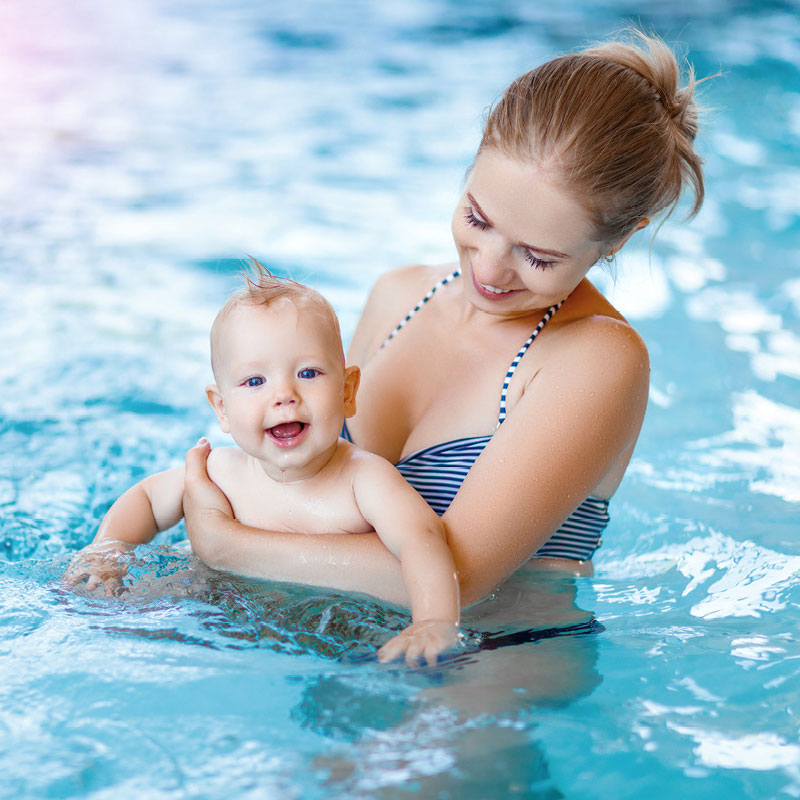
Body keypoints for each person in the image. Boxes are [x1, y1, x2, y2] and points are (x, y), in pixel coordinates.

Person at [181, 30, 707, 609]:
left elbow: (460, 577)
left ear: (617, 242)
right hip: (330, 641)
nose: (489, 269)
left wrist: (225, 544)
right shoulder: (397, 295)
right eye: (477, 219)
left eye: (539, 257)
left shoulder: (596, 359)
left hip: (491, 671)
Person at [65, 266, 461, 666]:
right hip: (211, 614)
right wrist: (106, 554)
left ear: (347, 392)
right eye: (255, 382)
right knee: (112, 619)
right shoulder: (219, 472)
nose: (283, 395)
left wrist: (434, 621)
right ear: (222, 408)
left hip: (330, 640)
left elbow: (421, 540)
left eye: (308, 373)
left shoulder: (365, 480)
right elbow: (147, 499)